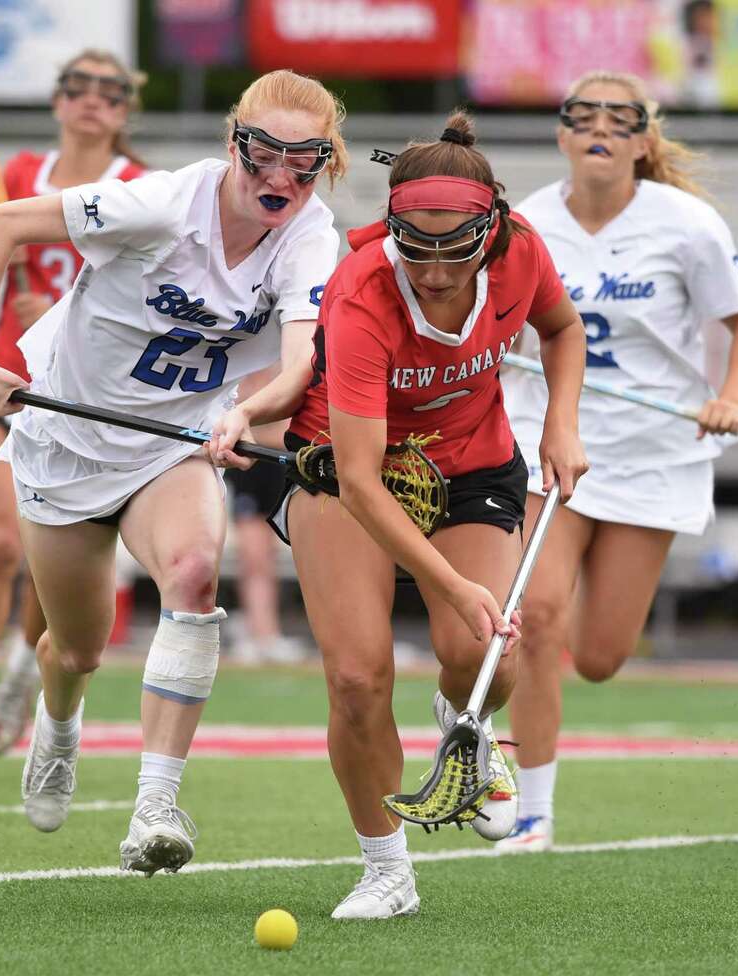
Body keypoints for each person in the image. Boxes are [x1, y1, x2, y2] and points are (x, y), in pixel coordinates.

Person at [0, 70, 345, 876]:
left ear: (322, 164)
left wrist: (245, 411)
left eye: (303, 161)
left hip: (172, 441)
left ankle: (155, 806)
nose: (281, 177)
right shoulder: (159, 202)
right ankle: (58, 728)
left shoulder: (311, 235)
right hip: (67, 438)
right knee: (76, 650)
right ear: (233, 143)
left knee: (197, 574)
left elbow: (304, 361)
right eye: (264, 153)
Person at [214, 112, 587, 919]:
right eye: (417, 248)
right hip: (350, 475)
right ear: (392, 229)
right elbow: (358, 479)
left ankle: (467, 721)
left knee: (486, 653)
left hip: (473, 465)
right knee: (355, 678)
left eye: (458, 249)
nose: (438, 271)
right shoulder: (361, 294)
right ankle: (387, 870)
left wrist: (561, 423)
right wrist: (448, 582)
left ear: (492, 229)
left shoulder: (522, 248)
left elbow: (561, 329)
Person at [496, 70, 738, 854]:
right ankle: (534, 811)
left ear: (644, 140)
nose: (601, 127)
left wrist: (731, 396)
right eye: (583, 114)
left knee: (604, 656)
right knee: (538, 617)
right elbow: (489, 325)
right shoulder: (524, 224)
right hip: (549, 439)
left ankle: (574, 651)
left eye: (622, 117)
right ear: (562, 134)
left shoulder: (688, 224)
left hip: (654, 453)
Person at [0, 49, 149, 760]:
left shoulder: (139, 188)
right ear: (57, 102)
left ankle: (24, 673)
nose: (92, 100)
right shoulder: (16, 175)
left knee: (47, 556)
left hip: (84, 397)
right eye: (77, 87)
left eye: (109, 92)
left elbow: (143, 294)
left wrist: (54, 305)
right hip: (7, 381)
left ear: (124, 110)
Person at [223, 366, 308, 664]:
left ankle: (266, 632)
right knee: (254, 557)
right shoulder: (243, 364)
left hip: (283, 463)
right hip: (250, 463)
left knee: (273, 557)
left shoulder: (289, 357)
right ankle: (260, 633)